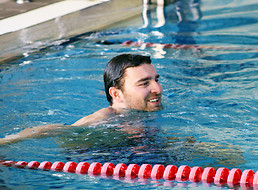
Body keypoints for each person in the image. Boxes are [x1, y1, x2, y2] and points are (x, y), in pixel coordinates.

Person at [0, 53, 163, 144]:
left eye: (156, 80)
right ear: (115, 94)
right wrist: (7, 142)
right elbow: (56, 130)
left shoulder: (148, 108)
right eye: (144, 84)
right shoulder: (104, 118)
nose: (157, 89)